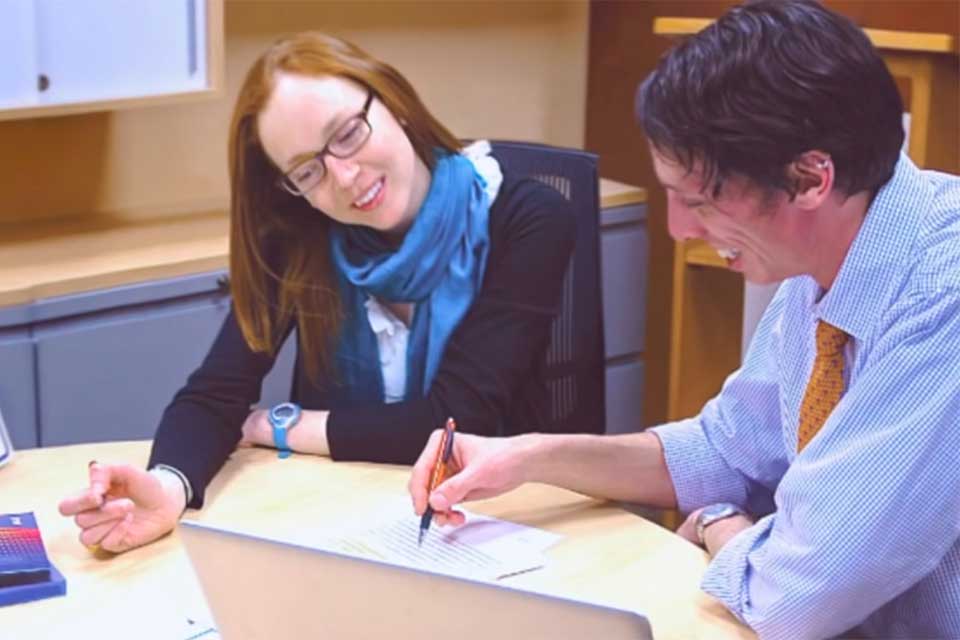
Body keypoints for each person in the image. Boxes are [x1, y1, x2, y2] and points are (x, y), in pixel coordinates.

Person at [409, 1, 960, 638]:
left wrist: (715, 523)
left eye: (701, 200)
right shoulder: (828, 261)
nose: (679, 228)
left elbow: (797, 592)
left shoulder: (941, 294)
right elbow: (724, 450)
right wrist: (526, 456)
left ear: (810, 178)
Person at [58, 33, 575, 554]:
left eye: (347, 134)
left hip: (499, 528)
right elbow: (213, 395)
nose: (346, 177)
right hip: (342, 527)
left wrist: (282, 427)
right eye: (308, 170)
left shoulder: (526, 216)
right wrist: (168, 488)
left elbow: (456, 421)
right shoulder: (301, 238)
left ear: (391, 99)